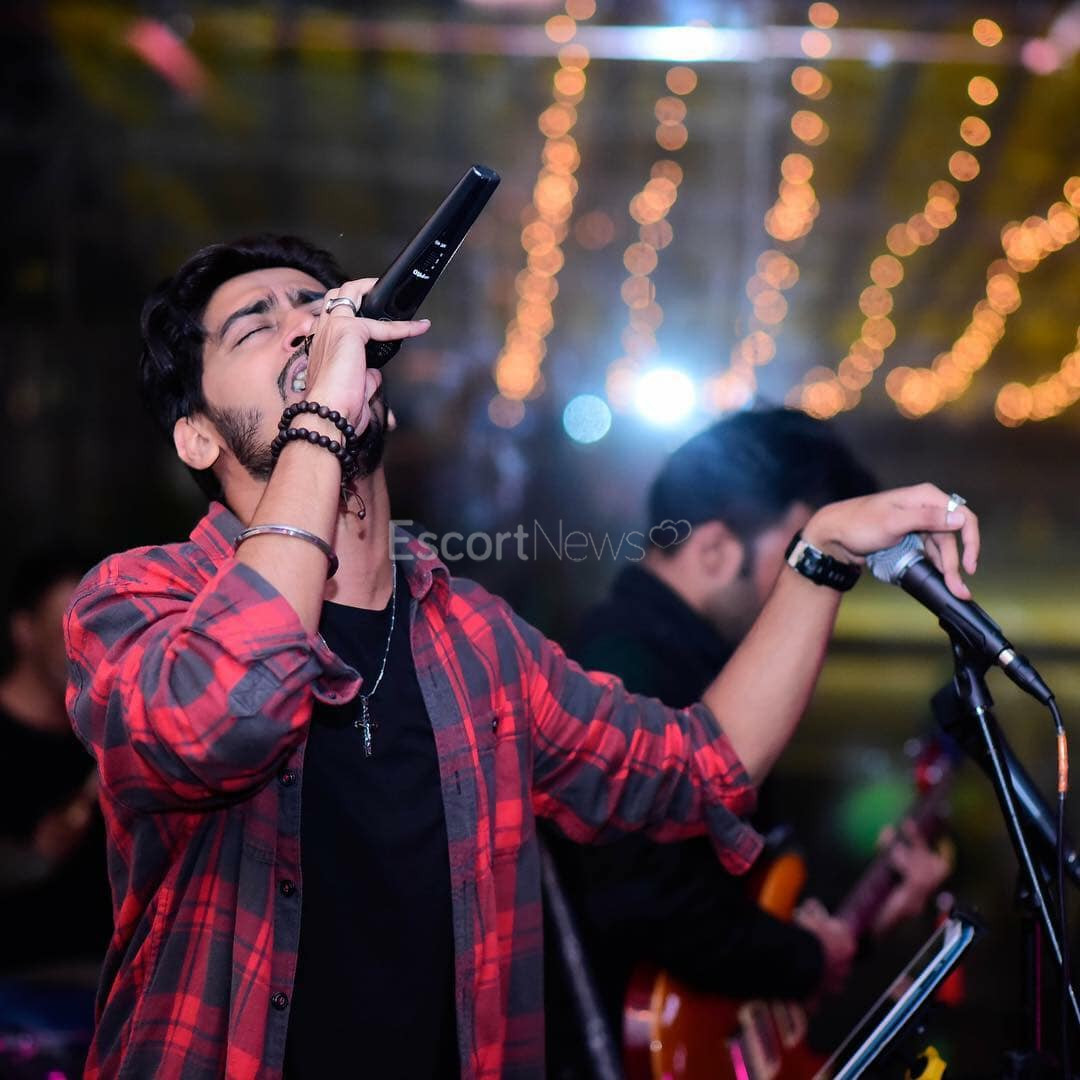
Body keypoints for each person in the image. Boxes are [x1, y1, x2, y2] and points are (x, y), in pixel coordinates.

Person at [63, 234, 979, 1080]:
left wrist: (819, 555)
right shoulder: (141, 600)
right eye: (256, 326)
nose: (309, 325)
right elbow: (225, 711)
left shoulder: (476, 641)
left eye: (320, 305)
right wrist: (317, 426)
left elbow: (705, 766)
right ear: (197, 435)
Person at [543, 410, 952, 1076]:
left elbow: (732, 891)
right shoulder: (621, 666)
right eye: (799, 556)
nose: (813, 589)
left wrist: (864, 923)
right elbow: (646, 902)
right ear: (714, 550)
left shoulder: (699, 658)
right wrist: (805, 957)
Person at [0, 549, 110, 973]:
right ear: (24, 631)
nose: (83, 646)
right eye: (65, 628)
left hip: (99, 982)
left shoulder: (105, 731)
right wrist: (34, 853)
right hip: (18, 985)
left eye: (94, 629)